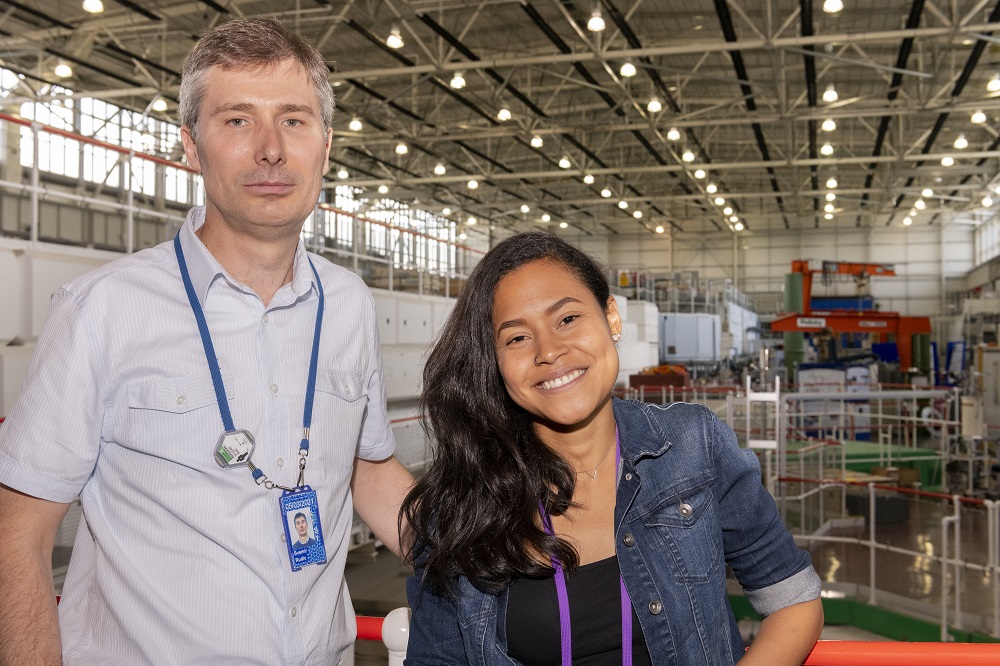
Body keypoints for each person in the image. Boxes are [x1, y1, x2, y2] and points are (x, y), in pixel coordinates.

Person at [0, 17, 412, 665]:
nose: (271, 149)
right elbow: (17, 533)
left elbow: (366, 467)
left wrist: (501, 558)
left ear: (326, 147)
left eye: (295, 120)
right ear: (190, 147)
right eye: (238, 121)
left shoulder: (349, 305)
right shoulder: (102, 310)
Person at [401, 232, 824, 665]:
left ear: (612, 318)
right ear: (494, 362)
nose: (549, 351)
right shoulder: (456, 506)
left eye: (566, 319)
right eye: (517, 338)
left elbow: (793, 600)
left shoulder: (693, 448)